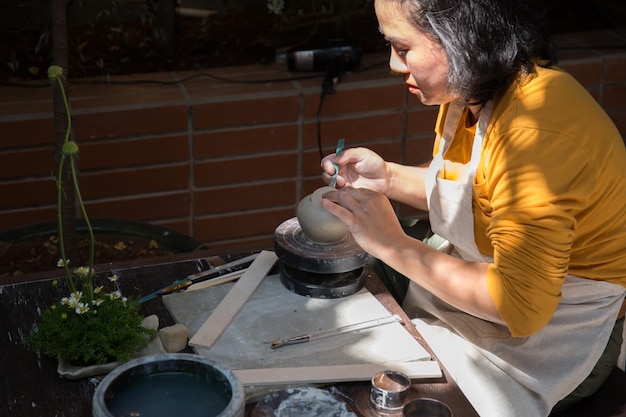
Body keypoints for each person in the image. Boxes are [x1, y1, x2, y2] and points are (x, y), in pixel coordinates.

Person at [319, 0, 626, 416]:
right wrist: (388, 178)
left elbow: (518, 305)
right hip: (486, 294)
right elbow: (473, 192)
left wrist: (392, 245)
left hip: (554, 339)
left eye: (402, 48)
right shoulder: (474, 90)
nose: (393, 64)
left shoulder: (537, 136)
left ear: (461, 38)